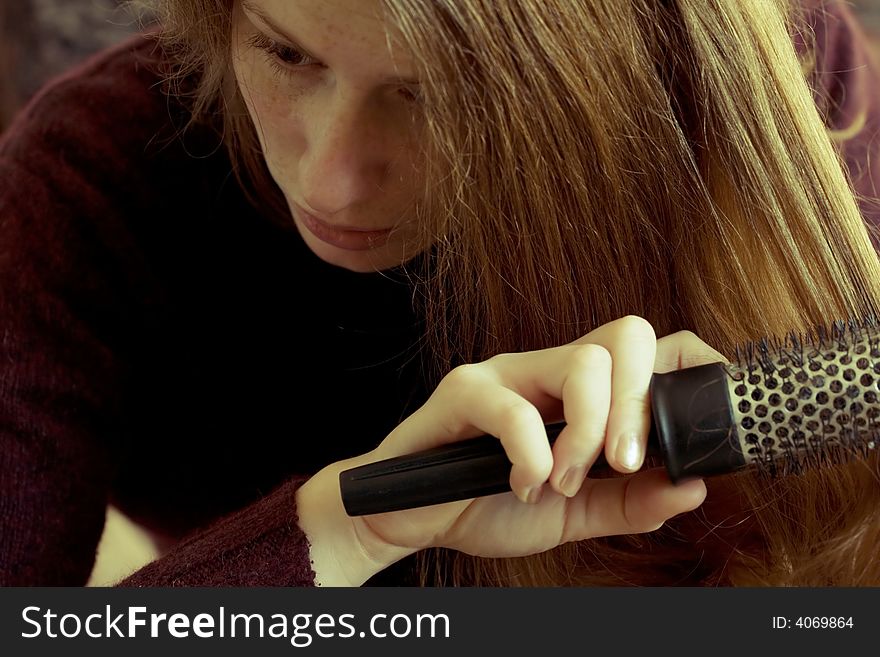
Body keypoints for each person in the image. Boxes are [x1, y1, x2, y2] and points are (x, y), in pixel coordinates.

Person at [2, 0, 880, 588]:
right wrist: (344, 528)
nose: (333, 179)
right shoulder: (78, 190)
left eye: (434, 93)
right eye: (283, 52)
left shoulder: (771, 87)